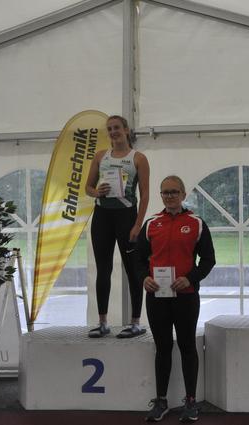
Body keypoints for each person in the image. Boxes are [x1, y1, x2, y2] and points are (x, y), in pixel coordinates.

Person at [137, 176, 216, 423]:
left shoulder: (196, 223)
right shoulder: (151, 224)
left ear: (183, 194)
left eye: (174, 192)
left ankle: (191, 402)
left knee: (187, 347)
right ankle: (161, 401)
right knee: (162, 348)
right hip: (157, 297)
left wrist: (190, 278)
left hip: (186, 297)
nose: (169, 196)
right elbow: (137, 260)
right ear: (161, 195)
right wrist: (144, 278)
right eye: (165, 192)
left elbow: (209, 260)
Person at [85, 115, 150, 338]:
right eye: (110, 128)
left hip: (127, 216)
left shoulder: (138, 158)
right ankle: (102, 322)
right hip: (102, 216)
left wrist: (138, 225)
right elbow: (88, 187)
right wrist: (97, 192)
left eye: (117, 128)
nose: (113, 132)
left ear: (126, 130)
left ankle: (136, 322)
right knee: (103, 269)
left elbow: (145, 195)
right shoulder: (100, 156)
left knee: (133, 270)